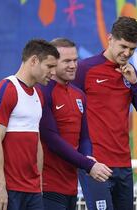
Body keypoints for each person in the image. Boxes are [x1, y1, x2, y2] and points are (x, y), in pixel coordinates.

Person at [73, 16, 137, 210]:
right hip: (96, 164)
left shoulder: (130, 72)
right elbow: (71, 112)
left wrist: (135, 84)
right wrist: (82, 157)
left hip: (123, 164)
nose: (127, 53)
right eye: (123, 46)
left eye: (132, 49)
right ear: (110, 39)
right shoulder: (85, 69)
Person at [0, 39, 59, 210]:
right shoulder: (6, 90)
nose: (53, 72)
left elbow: (36, 142)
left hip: (31, 191)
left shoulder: (38, 94)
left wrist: (38, 184)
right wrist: (0, 185)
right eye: (49, 66)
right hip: (6, 189)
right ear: (33, 61)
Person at [38, 38, 113, 210]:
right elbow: (52, 140)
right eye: (66, 61)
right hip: (47, 187)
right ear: (52, 63)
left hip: (71, 188)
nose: (73, 65)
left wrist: (87, 157)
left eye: (75, 60)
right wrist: (89, 165)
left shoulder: (79, 95)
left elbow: (84, 137)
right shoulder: (43, 92)